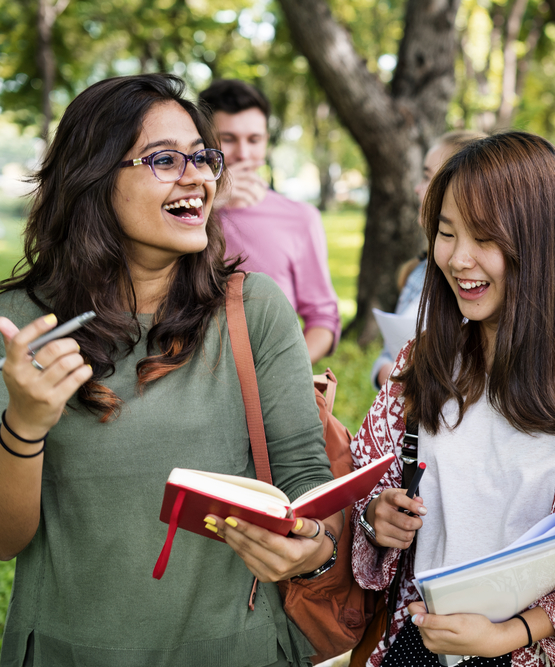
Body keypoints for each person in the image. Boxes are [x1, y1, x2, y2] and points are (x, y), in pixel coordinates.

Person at [0, 73, 344, 667]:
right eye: (164, 159)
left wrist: (315, 548)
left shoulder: (254, 308)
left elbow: (307, 481)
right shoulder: (18, 323)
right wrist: (26, 424)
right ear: (93, 178)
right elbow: (6, 541)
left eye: (202, 157)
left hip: (237, 650)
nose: (199, 176)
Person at [349, 131, 555, 667]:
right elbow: (362, 476)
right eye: (446, 234)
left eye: (485, 239)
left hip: (532, 653)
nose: (459, 259)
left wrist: (507, 634)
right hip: (422, 648)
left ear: (538, 244)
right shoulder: (423, 362)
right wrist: (378, 517)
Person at [199, 79, 340, 364]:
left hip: (269, 381)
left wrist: (285, 371)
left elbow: (323, 318)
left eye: (254, 140)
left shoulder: (300, 217)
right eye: (228, 138)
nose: (243, 153)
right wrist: (210, 203)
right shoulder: (185, 214)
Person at [371, 130, 486, 389]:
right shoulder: (417, 274)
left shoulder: (481, 279)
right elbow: (388, 355)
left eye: (427, 177)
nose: (417, 188)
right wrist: (388, 373)